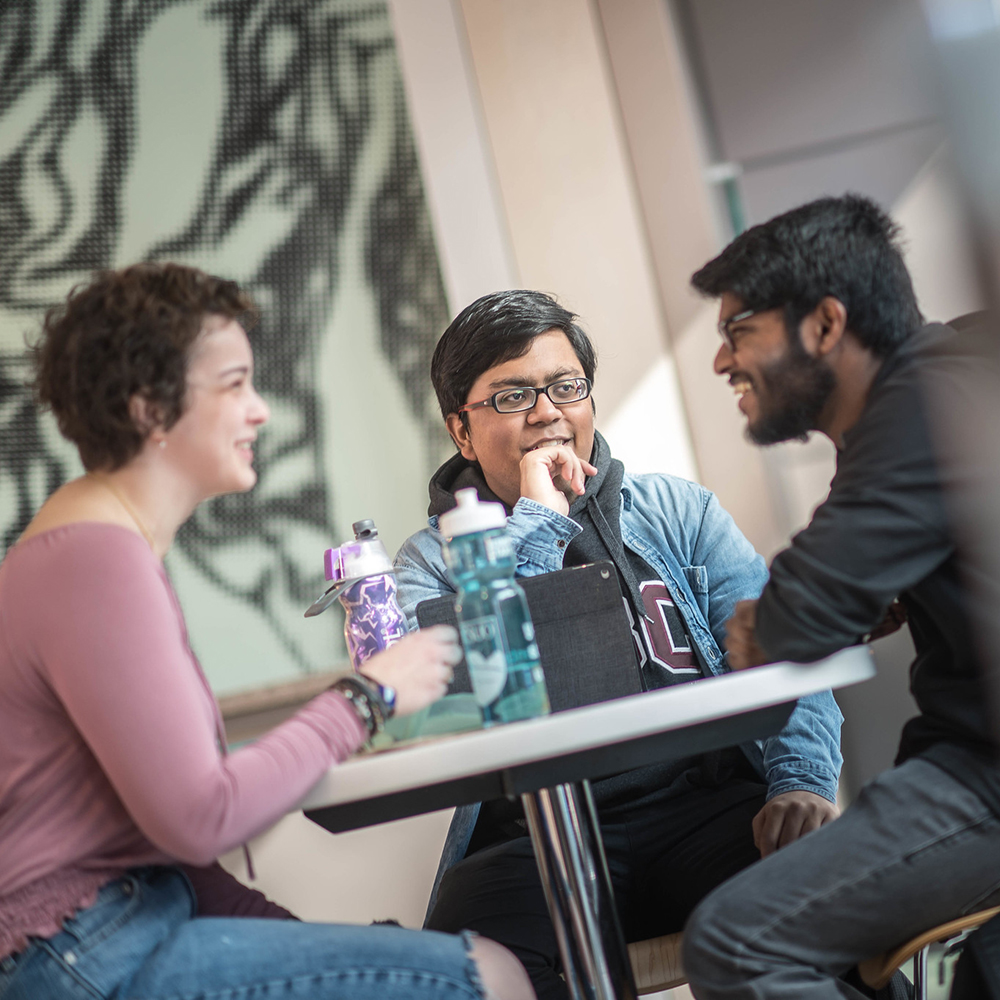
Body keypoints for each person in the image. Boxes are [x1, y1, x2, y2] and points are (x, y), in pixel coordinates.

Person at [0, 263, 536, 1000]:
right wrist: (367, 698)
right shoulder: (97, 562)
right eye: (233, 385)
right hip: (85, 952)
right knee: (494, 975)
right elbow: (202, 816)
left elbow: (170, 852)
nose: (261, 411)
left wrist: (307, 940)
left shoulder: (85, 548)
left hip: (110, 932)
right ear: (148, 408)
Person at [392, 289, 845, 1000]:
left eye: (565, 387)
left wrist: (799, 783)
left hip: (706, 806)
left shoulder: (678, 511)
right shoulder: (427, 564)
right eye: (511, 396)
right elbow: (465, 707)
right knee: (460, 979)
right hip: (533, 840)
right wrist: (539, 521)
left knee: (814, 915)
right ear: (461, 429)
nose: (547, 413)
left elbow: (784, 657)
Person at [681, 194, 1000, 999]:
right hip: (964, 756)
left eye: (737, 331)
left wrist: (780, 618)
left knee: (733, 941)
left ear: (825, 324)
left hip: (987, 776)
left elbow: (789, 622)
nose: (722, 363)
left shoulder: (914, 412)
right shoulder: (953, 371)